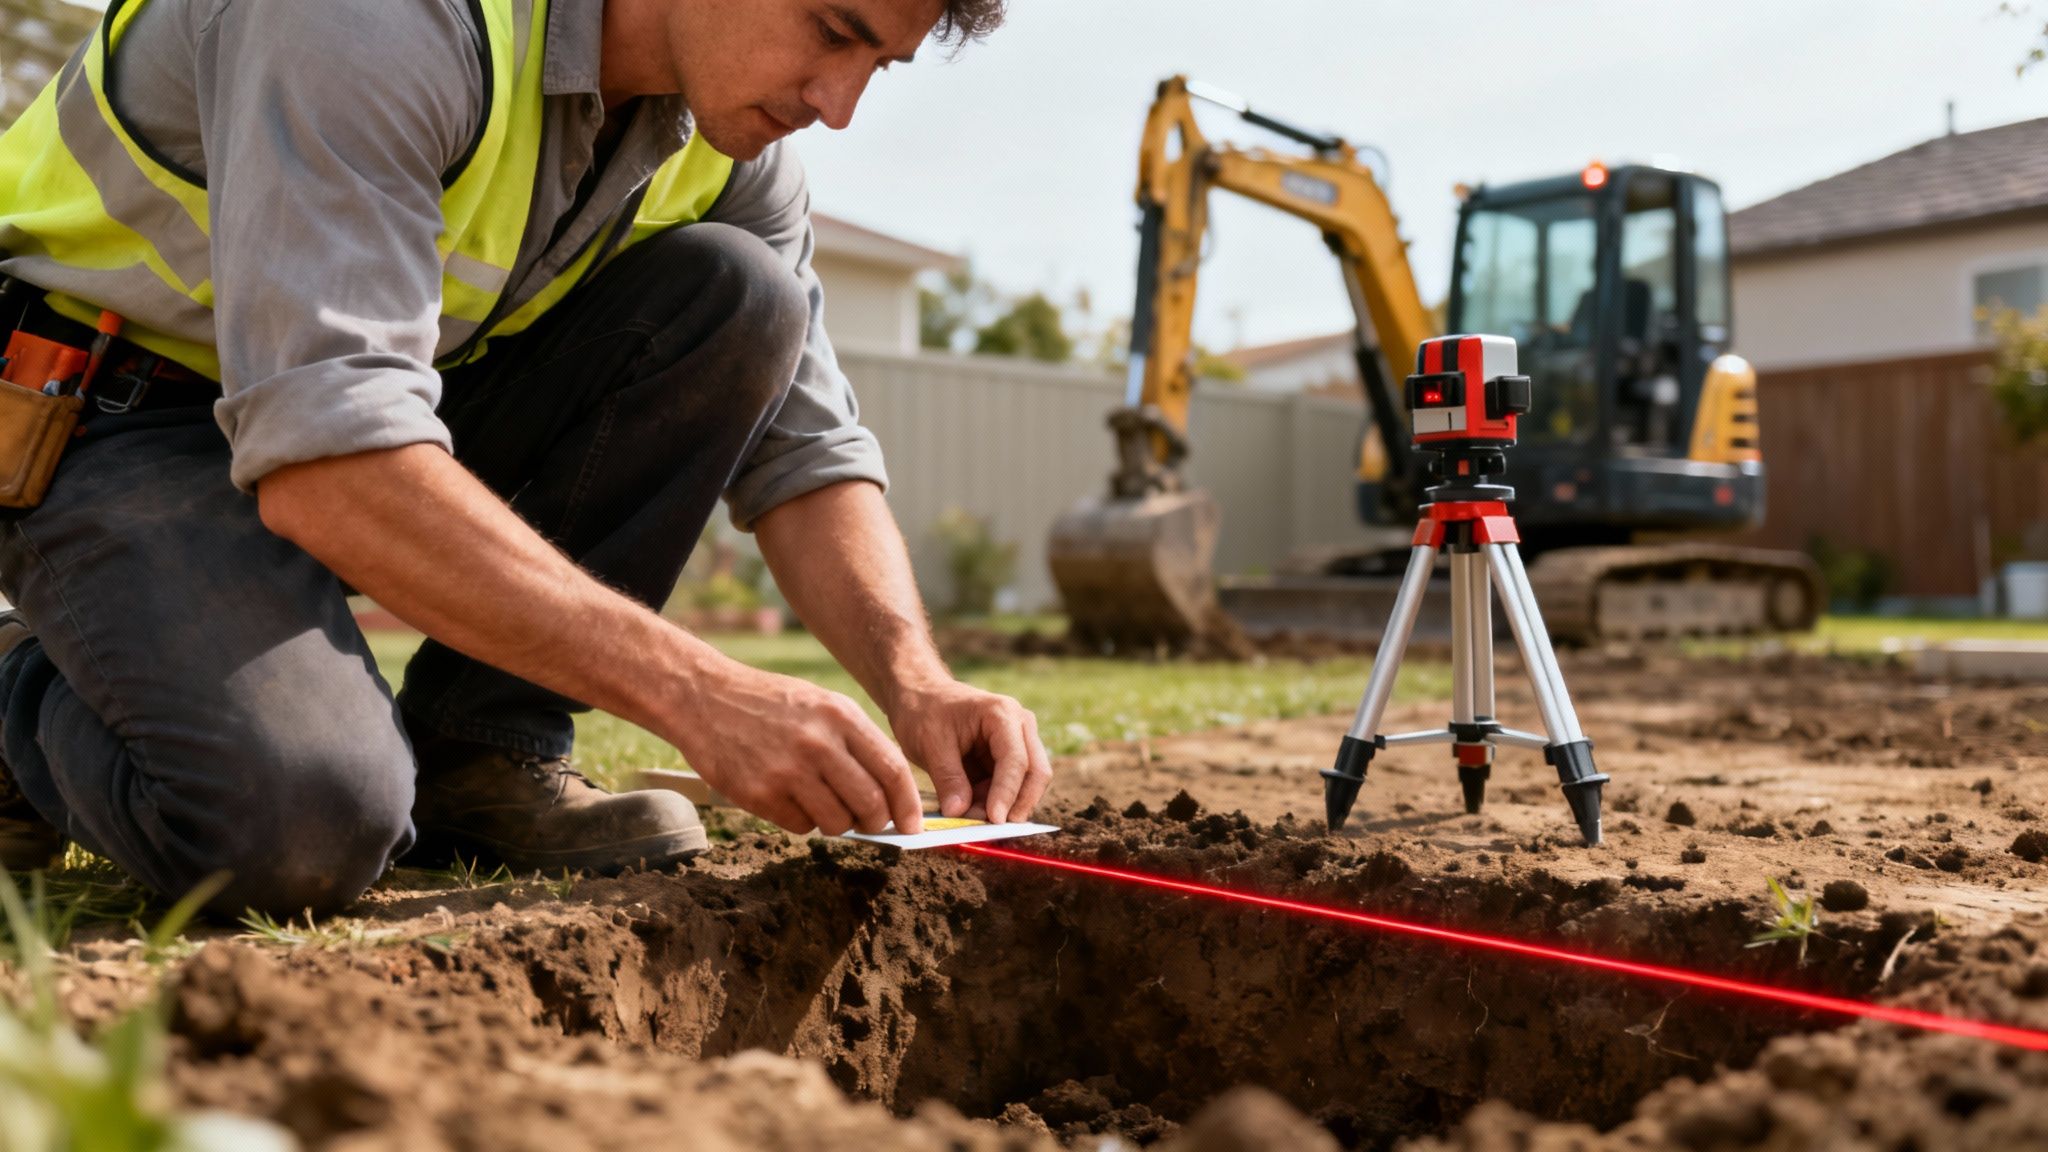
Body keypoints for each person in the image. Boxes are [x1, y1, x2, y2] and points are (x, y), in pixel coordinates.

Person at [0, 0, 1050, 917]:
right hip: (98, 401)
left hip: (367, 417)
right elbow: (333, 468)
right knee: (301, 825)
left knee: (738, 295)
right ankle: (25, 682)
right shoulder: (374, 22)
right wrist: (699, 695)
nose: (839, 102)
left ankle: (481, 751)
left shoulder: (721, 146)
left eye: (880, 64)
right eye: (833, 31)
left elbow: (806, 449)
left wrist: (918, 685)